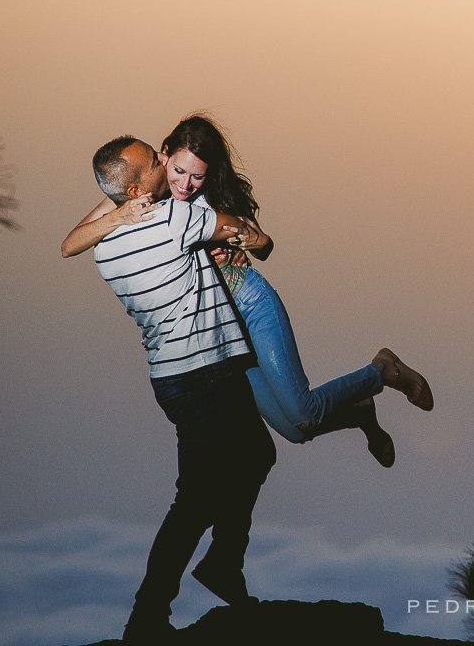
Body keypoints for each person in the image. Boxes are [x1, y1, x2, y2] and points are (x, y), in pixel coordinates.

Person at [63, 115, 433, 470]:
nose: (186, 184)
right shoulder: (141, 191)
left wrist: (252, 241)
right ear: (163, 156)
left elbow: (262, 244)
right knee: (294, 430)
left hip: (251, 306)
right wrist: (118, 216)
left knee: (302, 409)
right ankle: (360, 412)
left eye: (198, 177)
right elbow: (70, 244)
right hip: (221, 336)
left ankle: (383, 370)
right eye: (178, 171)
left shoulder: (205, 201)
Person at [89, 136, 276, 641]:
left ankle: (212, 569)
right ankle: (155, 610)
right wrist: (243, 236)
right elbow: (245, 235)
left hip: (170, 380)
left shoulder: (102, 246)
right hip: (208, 371)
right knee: (198, 496)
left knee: (249, 458)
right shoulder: (172, 218)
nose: (165, 164)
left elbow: (87, 230)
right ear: (135, 187)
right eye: (155, 162)